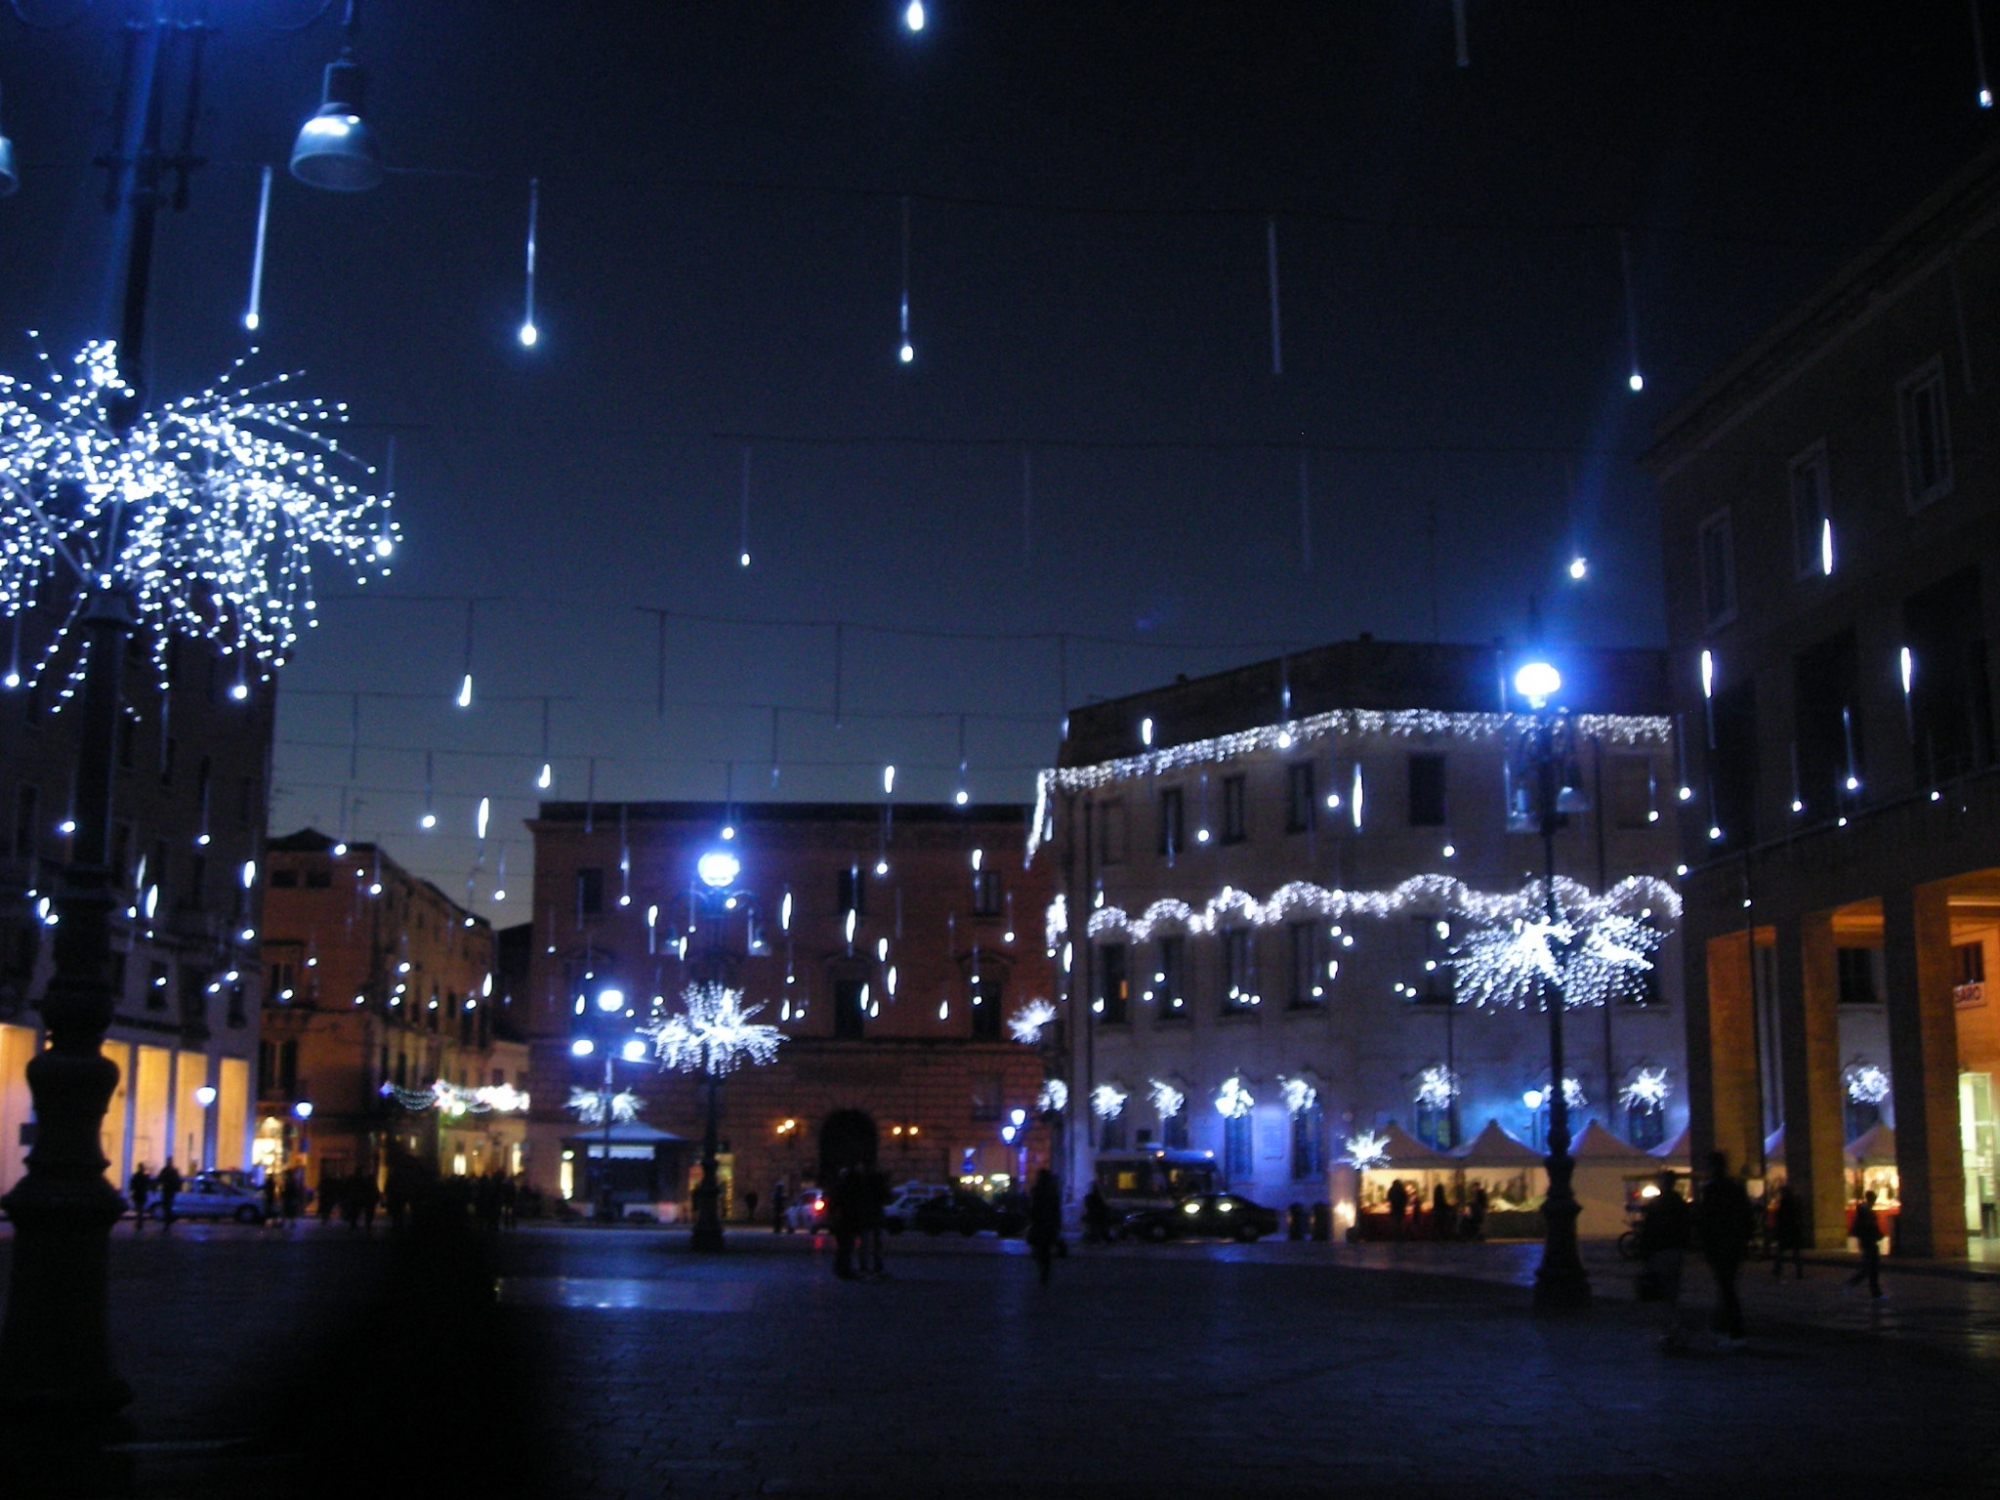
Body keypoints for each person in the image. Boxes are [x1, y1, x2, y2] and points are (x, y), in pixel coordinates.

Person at [1694, 1150, 1755, 1345]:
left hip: (1720, 1246)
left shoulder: (1712, 1190)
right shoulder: (1735, 1188)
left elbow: (1705, 1221)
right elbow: (1747, 1218)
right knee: (1727, 1288)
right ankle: (1723, 1328)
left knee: (1727, 1290)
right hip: (1734, 1246)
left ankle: (1735, 1333)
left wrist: (1705, 1243)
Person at [1635, 1170, 1694, 1347]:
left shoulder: (1656, 1204)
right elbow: (1686, 1227)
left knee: (1662, 1293)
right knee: (1673, 1290)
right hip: (1676, 1250)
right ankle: (1674, 1326)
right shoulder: (1680, 1203)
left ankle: (1670, 1329)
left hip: (1660, 1251)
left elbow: (1649, 1230)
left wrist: (1644, 1252)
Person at [1026, 1168, 1063, 1285]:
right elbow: (1056, 1210)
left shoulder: (1037, 1190)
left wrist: (1031, 1218)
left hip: (1039, 1224)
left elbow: (1033, 1208)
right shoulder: (1052, 1191)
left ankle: (1043, 1271)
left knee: (1038, 1249)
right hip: (1049, 1224)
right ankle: (1045, 1272)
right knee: (1045, 1250)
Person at [1848, 1188, 1885, 1299]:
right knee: (1872, 1267)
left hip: (1866, 1241)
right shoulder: (1867, 1212)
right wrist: (1878, 1234)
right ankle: (1875, 1292)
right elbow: (1870, 1227)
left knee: (1870, 1267)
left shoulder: (1864, 1210)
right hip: (1869, 1241)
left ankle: (1853, 1284)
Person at [829, 1167, 862, 1280]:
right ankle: (844, 1268)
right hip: (846, 1221)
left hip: (841, 1221)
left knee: (843, 1246)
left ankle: (840, 1267)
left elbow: (832, 1206)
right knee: (846, 1246)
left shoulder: (837, 1188)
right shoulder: (849, 1190)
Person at [1771, 1184, 1807, 1280]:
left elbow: (1781, 1216)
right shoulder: (1796, 1201)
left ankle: (1777, 1269)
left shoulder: (1785, 1202)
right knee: (1796, 1253)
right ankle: (1799, 1271)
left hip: (1786, 1230)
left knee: (1781, 1251)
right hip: (1794, 1230)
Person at [156, 1158, 182, 1231]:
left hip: (166, 1191)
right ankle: (168, 1222)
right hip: (170, 1191)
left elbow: (159, 1179)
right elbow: (177, 1181)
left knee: (166, 1207)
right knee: (168, 1207)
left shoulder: (165, 1171)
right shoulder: (173, 1171)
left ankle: (167, 1222)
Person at [128, 1164, 152, 1233]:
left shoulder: (136, 1176)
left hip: (137, 1194)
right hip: (142, 1194)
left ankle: (139, 1223)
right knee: (140, 1209)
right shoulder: (144, 1177)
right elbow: (148, 1184)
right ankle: (140, 1223)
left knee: (139, 1209)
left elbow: (132, 1186)